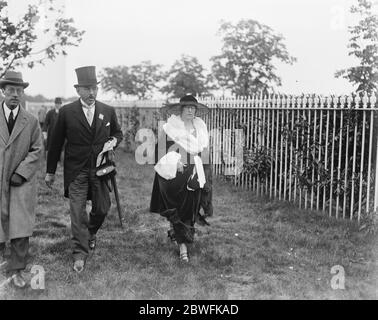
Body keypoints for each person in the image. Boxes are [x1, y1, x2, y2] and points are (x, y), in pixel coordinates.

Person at [45, 66, 123, 273]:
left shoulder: (107, 111)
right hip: (76, 171)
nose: (92, 93)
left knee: (103, 208)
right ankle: (80, 253)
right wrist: (50, 171)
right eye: (87, 89)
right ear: (78, 90)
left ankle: (89, 233)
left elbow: (117, 132)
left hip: (100, 170)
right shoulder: (66, 112)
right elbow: (55, 143)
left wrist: (113, 141)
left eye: (94, 89)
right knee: (77, 212)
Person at [150, 94, 213, 263]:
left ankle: (180, 235)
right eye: (187, 108)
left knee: (190, 210)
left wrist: (204, 174)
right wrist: (175, 160)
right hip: (175, 176)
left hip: (194, 176)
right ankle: (183, 248)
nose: (190, 111)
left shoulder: (200, 128)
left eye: (193, 108)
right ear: (180, 109)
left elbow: (204, 153)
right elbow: (158, 153)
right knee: (178, 209)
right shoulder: (171, 128)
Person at [0, 71, 43, 288]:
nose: (15, 95)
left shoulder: (31, 121)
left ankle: (17, 270)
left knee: (20, 226)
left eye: (19, 91)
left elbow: (37, 149)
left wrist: (22, 172)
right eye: (11, 90)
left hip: (20, 182)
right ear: (3, 91)